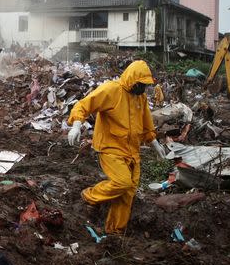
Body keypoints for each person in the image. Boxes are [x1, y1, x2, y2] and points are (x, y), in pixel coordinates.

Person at [66, 60, 166, 234]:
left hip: (132, 151)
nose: (143, 89)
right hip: (110, 147)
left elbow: (146, 122)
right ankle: (89, 196)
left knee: (128, 192)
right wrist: (76, 125)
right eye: (140, 84)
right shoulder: (111, 90)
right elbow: (83, 105)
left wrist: (154, 143)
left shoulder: (140, 97)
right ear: (132, 80)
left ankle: (114, 232)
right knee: (122, 182)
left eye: (145, 85)